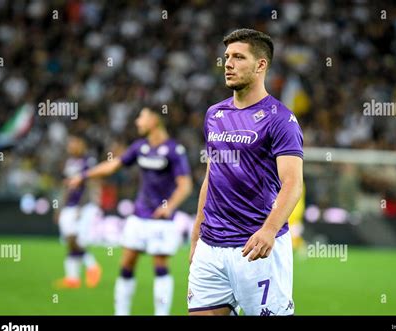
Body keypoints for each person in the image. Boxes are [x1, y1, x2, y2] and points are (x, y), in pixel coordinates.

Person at [188, 28, 304, 316]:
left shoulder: (281, 119)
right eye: (227, 57)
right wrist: (195, 237)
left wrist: (269, 230)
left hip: (256, 247)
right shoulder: (214, 114)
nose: (228, 63)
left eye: (238, 57)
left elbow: (293, 184)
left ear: (260, 65)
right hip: (211, 247)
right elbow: (210, 179)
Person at [67, 105, 192, 315]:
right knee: (127, 262)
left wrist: (169, 206)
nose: (137, 122)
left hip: (161, 220)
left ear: (154, 120)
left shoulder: (173, 150)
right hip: (138, 216)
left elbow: (185, 185)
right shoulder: (139, 147)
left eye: (141, 117)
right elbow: (113, 165)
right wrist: (85, 175)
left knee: (160, 266)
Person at [55, 134, 102, 289]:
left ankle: (92, 267)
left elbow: (91, 185)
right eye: (70, 144)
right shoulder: (69, 162)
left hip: (83, 207)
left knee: (77, 241)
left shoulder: (88, 162)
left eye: (74, 143)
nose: (71, 146)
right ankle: (73, 278)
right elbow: (66, 187)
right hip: (68, 206)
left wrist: (82, 208)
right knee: (70, 241)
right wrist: (59, 208)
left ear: (82, 145)